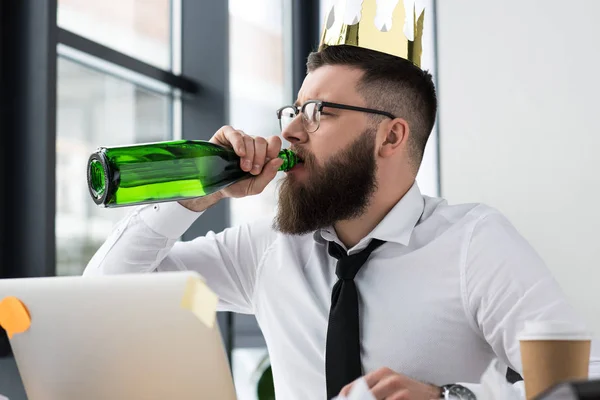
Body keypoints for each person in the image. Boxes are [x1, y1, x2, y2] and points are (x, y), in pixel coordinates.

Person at [84, 45, 600, 400]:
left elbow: (582, 382)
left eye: (318, 112)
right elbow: (105, 296)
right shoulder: (269, 247)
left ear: (391, 137)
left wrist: (451, 398)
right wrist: (196, 195)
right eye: (292, 111)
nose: (290, 132)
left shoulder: (473, 243)